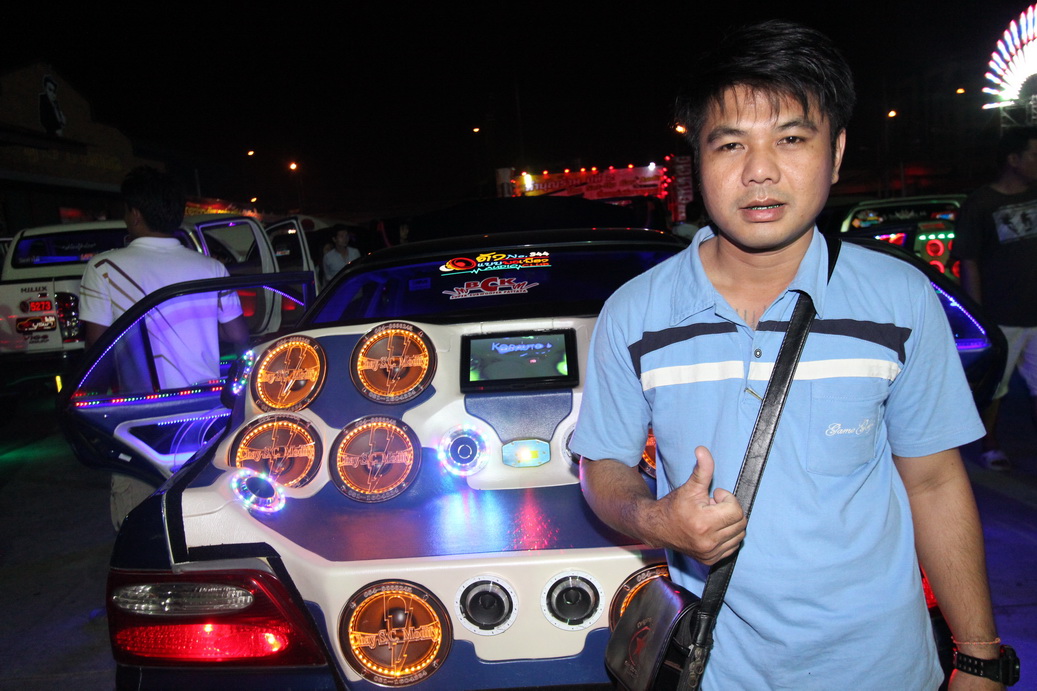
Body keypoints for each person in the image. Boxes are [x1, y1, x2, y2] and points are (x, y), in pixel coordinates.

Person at [571, 20, 1008, 690]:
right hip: (714, 670)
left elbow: (933, 481)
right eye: (730, 144)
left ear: (835, 152)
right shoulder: (634, 312)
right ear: (697, 161)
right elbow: (602, 466)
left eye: (791, 138)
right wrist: (655, 517)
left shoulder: (899, 298)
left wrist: (977, 652)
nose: (760, 171)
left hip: (884, 668)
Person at [79, 166, 248, 529]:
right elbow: (238, 334)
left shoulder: (104, 267)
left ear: (134, 213)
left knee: (142, 526)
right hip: (206, 412)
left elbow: (97, 351)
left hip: (142, 418)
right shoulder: (211, 267)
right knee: (205, 520)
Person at [953, 127, 1037, 472]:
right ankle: (990, 445)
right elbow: (969, 261)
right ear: (1013, 159)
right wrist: (979, 316)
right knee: (996, 388)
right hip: (1002, 314)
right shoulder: (981, 204)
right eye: (1034, 155)